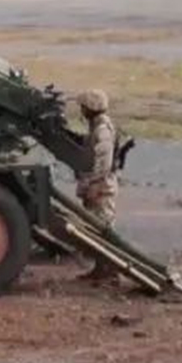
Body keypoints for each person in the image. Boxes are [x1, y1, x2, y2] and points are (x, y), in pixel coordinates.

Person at [76, 89, 120, 282]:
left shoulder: (102, 130)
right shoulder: (97, 126)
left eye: (83, 107)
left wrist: (91, 185)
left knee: (103, 229)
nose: (81, 110)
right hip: (98, 185)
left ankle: (111, 272)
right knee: (96, 229)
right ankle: (101, 270)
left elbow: (102, 164)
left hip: (101, 186)